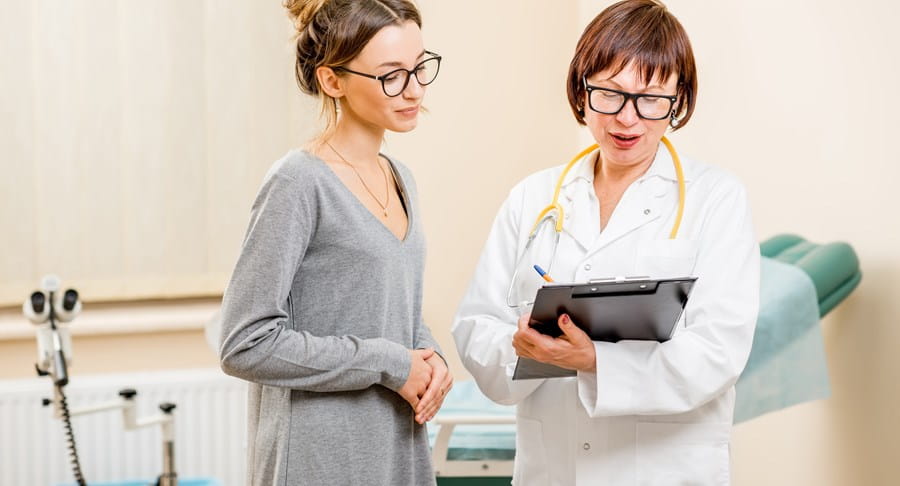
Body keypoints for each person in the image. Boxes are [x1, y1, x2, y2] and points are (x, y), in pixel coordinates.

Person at [452, 1, 759, 484]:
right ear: (582, 89)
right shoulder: (532, 197)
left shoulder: (716, 198)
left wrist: (596, 361)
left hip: (667, 469)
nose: (627, 119)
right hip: (554, 468)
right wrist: (529, 350)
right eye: (609, 94)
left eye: (651, 98)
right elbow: (475, 325)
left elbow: (718, 351)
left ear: (679, 99)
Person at [218, 1, 452, 484]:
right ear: (333, 81)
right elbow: (245, 342)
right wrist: (390, 363)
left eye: (419, 67)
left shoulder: (400, 177)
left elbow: (390, 308)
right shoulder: (298, 182)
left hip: (396, 449)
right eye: (391, 75)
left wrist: (432, 360)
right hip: (319, 460)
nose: (413, 90)